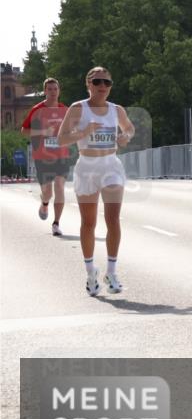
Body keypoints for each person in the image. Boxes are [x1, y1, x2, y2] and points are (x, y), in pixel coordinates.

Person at [57, 67, 135, 296]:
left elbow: (129, 128)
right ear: (88, 84)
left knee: (113, 219)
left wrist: (125, 137)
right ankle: (91, 272)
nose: (102, 86)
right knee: (89, 222)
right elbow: (61, 139)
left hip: (111, 165)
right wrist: (83, 133)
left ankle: (111, 272)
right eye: (97, 82)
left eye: (107, 83)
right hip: (87, 167)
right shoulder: (78, 109)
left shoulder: (116, 110)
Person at [20, 78, 70, 236]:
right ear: (45, 91)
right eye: (49, 89)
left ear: (59, 91)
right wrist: (43, 132)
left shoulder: (66, 110)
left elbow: (73, 129)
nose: (53, 92)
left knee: (60, 187)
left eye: (55, 89)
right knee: (48, 192)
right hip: (42, 156)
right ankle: (44, 203)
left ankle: (56, 223)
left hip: (62, 155)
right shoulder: (37, 110)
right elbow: (24, 131)